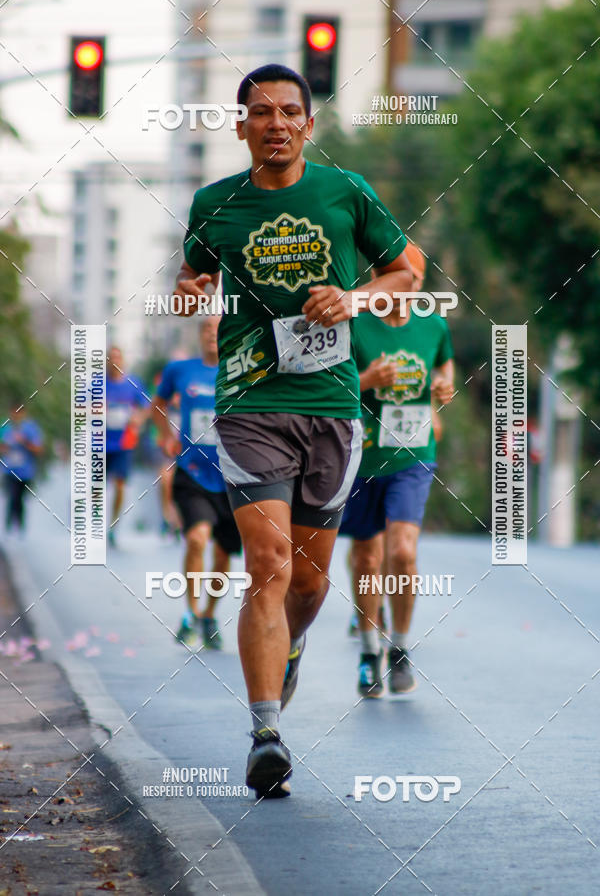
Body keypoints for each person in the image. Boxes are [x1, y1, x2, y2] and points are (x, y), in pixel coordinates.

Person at [174, 63, 413, 798]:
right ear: (240, 125)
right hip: (249, 406)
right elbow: (192, 282)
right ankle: (265, 733)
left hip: (333, 410)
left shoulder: (347, 193)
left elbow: (406, 272)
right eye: (260, 112)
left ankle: (293, 646)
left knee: (307, 583)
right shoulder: (215, 204)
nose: (275, 122)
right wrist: (187, 295)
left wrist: (354, 297)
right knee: (270, 564)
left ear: (308, 124)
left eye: (289, 111)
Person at [339, 243, 454, 698]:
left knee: (402, 552)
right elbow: (327, 386)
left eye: (417, 280)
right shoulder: (354, 322)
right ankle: (370, 649)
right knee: (367, 559)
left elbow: (443, 369)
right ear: (381, 275)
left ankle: (400, 648)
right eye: (399, 276)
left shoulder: (433, 326)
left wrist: (444, 388)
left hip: (413, 454)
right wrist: (367, 382)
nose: (408, 287)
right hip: (361, 457)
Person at [151, 315, 241, 650]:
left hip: (233, 476)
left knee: (222, 553)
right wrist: (165, 437)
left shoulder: (240, 369)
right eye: (206, 328)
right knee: (197, 539)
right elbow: (157, 404)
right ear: (200, 333)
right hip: (192, 472)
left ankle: (208, 614)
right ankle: (189, 614)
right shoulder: (180, 370)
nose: (211, 335)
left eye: (218, 329)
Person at [105, 347, 149, 546]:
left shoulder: (133, 383)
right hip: (100, 442)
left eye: (117, 357)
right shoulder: (97, 384)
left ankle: (113, 525)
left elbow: (147, 407)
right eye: (110, 358)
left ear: (122, 360)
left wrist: (137, 419)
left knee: (120, 485)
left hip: (124, 442)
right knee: (96, 488)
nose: (114, 361)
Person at [1, 404, 43, 533]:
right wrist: (6, 447)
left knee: (19, 499)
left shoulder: (30, 428)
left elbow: (38, 450)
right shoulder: (5, 427)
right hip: (9, 470)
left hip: (26, 472)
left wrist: (23, 442)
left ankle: (20, 528)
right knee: (12, 497)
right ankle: (8, 529)